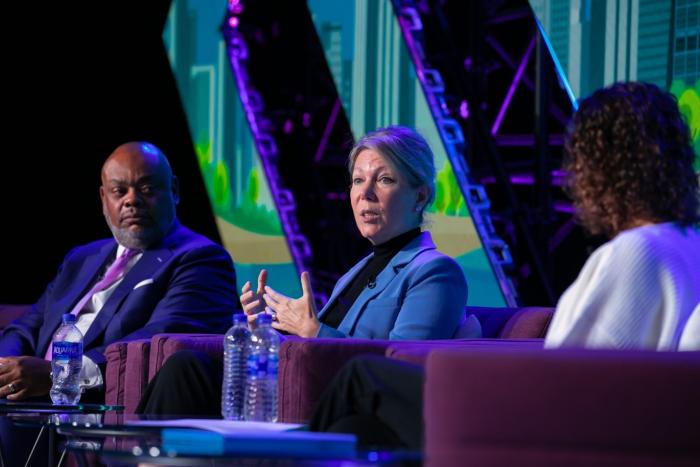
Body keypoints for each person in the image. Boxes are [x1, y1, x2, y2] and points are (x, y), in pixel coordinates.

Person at [309, 82, 700, 449]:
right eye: (357, 181)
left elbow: (565, 376)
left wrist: (476, 368)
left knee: (363, 377)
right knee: (356, 430)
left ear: (600, 171)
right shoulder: (688, 247)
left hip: (543, 427)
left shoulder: (634, 253)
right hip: (578, 421)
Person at [137, 126, 468, 415]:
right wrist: (270, 329)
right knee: (185, 367)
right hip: (300, 390)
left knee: (186, 373)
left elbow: (401, 368)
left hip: (344, 409)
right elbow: (312, 348)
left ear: (420, 195)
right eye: (357, 180)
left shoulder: (436, 272)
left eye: (383, 180)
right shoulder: (358, 270)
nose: (364, 193)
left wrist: (314, 331)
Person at [0, 142, 240, 463]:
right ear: (104, 199)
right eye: (119, 190)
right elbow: (27, 326)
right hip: (29, 405)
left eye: (146, 188)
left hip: (97, 411)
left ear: (174, 190)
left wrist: (60, 375)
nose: (131, 200)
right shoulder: (82, 257)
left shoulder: (200, 259)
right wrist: (6, 369)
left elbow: (161, 339)